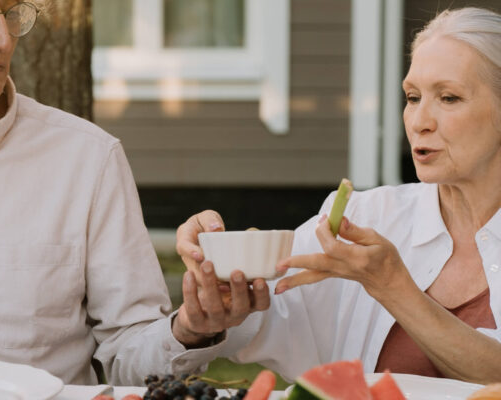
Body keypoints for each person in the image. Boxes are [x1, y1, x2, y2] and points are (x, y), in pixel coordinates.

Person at [174, 7, 501, 384]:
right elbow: (260, 314)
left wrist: (395, 288)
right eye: (412, 97)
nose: (419, 122)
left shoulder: (375, 253)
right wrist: (208, 305)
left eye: (448, 98)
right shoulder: (364, 217)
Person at [0, 0, 223, 386]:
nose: (2, 38)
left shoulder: (88, 158)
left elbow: (129, 355)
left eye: (10, 13)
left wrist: (190, 328)